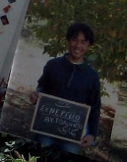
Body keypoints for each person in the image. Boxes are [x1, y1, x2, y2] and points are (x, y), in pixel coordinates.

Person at [34, 22, 102, 154]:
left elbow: (95, 106)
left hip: (71, 136)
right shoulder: (53, 65)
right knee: (39, 158)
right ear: (68, 40)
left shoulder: (92, 76)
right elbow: (41, 87)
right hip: (45, 130)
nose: (78, 45)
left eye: (83, 42)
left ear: (89, 46)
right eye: (74, 40)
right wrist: (36, 94)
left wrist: (91, 133)